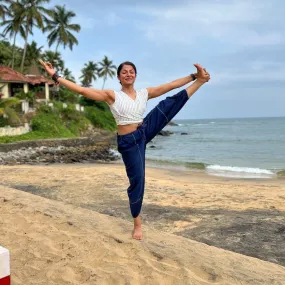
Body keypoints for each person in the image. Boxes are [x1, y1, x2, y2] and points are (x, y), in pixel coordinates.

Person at [39, 59, 210, 240]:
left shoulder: (144, 93)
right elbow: (82, 90)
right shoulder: (112, 95)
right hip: (129, 142)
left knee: (167, 104)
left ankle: (200, 81)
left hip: (143, 131)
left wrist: (192, 76)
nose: (128, 74)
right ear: (119, 77)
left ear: (135, 75)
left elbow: (169, 86)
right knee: (138, 179)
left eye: (131, 71)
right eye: (124, 72)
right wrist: (55, 75)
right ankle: (137, 223)